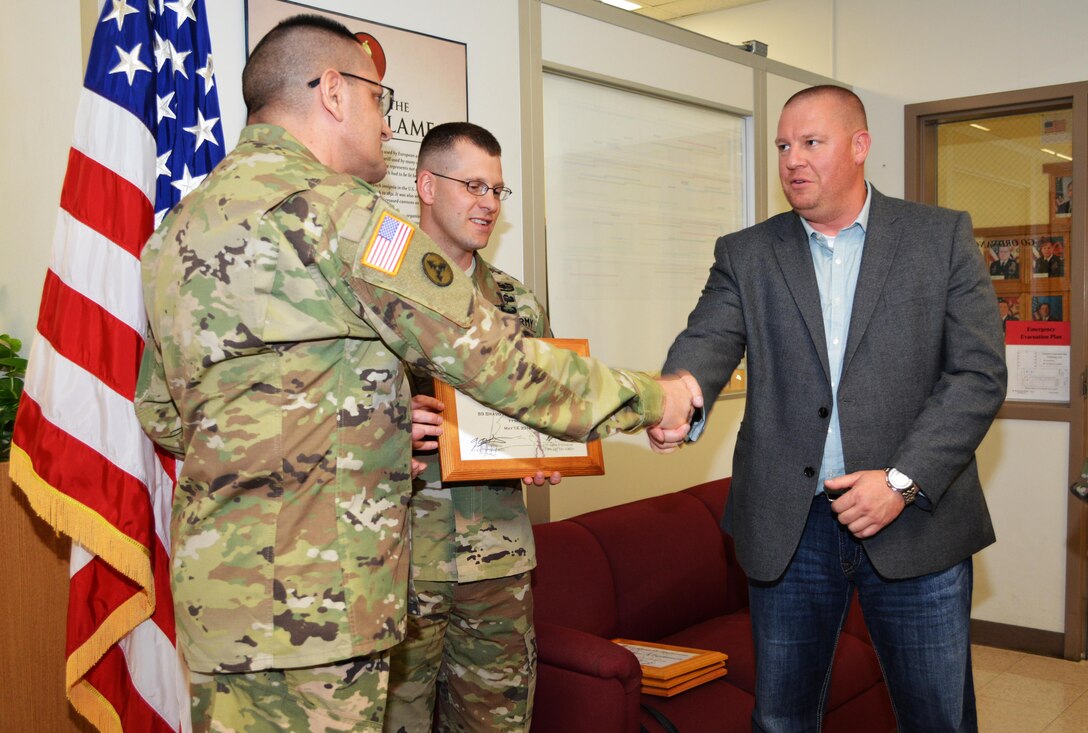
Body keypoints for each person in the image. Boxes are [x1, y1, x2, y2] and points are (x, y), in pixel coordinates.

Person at [134, 15, 699, 732]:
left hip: (221, 602)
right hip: (323, 608)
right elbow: (493, 358)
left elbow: (161, 411)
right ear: (333, 92)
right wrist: (655, 396)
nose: (387, 124)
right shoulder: (340, 214)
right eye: (379, 100)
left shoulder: (176, 231)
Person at [653, 85, 1006, 732]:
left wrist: (901, 479)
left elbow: (979, 374)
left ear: (860, 146)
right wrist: (677, 393)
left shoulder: (940, 237)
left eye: (811, 142)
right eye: (784, 145)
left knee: (938, 718)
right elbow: (706, 340)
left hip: (915, 518)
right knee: (783, 719)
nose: (793, 159)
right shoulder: (747, 253)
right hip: (792, 526)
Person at [382, 122, 549, 732]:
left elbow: (547, 407)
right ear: (427, 184)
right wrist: (391, 421)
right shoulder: (375, 290)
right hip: (398, 562)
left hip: (498, 565)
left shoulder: (516, 304)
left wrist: (551, 449)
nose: (489, 202)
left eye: (499, 190)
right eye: (474, 185)